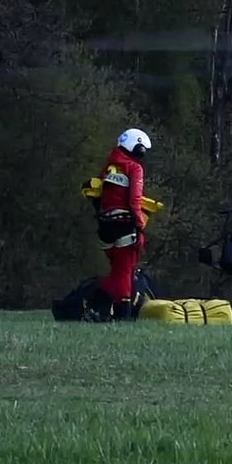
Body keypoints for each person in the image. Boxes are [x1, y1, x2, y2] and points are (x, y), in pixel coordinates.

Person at [86, 128, 152, 322]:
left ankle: (98, 309)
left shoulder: (110, 165)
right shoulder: (134, 168)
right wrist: (140, 223)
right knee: (125, 271)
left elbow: (98, 193)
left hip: (105, 227)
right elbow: (135, 200)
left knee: (118, 270)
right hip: (124, 225)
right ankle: (119, 313)